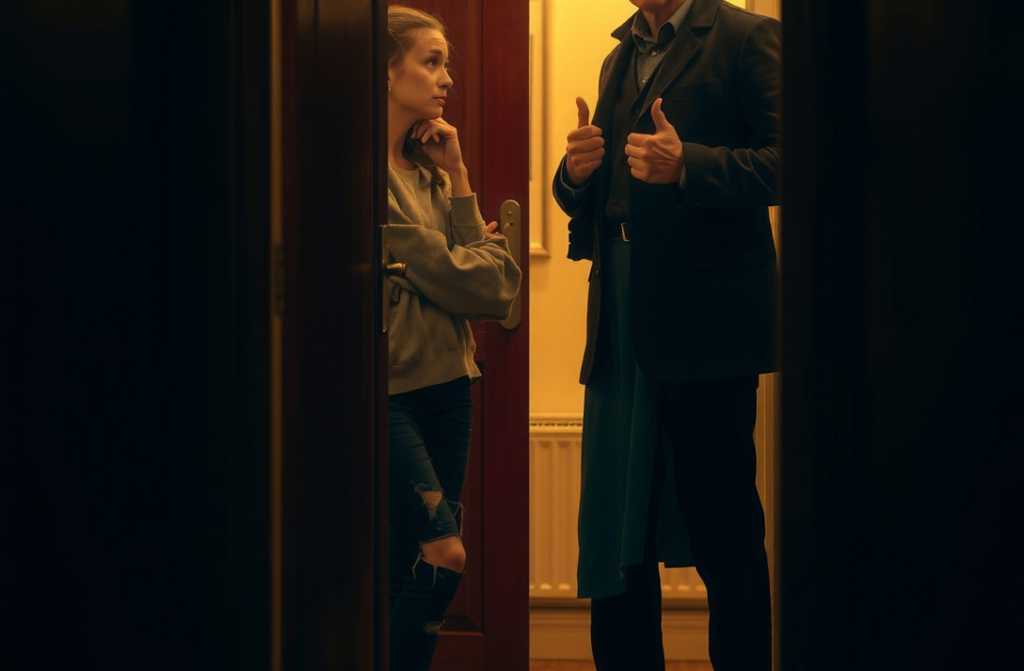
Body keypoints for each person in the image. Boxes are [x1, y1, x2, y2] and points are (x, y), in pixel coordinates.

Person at [551, 0, 781, 669]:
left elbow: (791, 162)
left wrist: (691, 165)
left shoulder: (747, 38)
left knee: (724, 532)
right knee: (617, 529)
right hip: (619, 321)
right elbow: (600, 196)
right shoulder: (617, 57)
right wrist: (575, 176)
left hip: (707, 327)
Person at [384, 6, 521, 670]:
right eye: (431, 62)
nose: (447, 80)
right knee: (445, 552)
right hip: (391, 392)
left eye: (447, 64)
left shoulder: (433, 175)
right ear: (387, 71)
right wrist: (463, 265)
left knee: (409, 560)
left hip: (450, 386)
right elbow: (473, 275)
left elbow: (496, 289)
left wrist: (461, 175)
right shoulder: (364, 180)